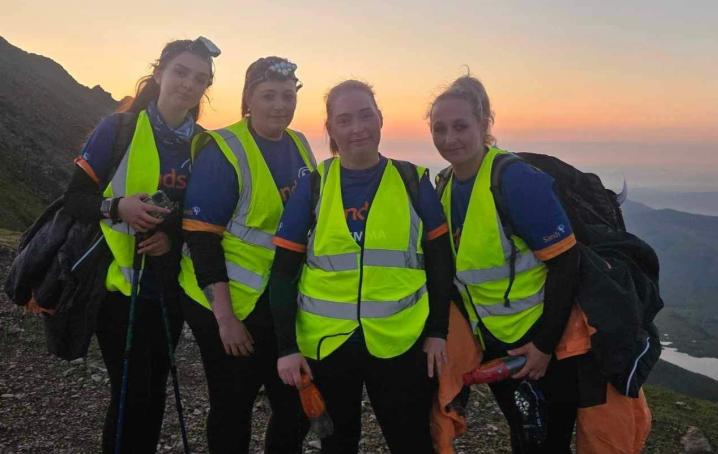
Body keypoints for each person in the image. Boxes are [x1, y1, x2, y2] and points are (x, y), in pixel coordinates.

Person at [269, 79, 455, 454]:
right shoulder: (315, 185)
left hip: (401, 340)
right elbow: (284, 272)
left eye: (366, 115)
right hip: (329, 342)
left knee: (412, 440)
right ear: (331, 129)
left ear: (381, 119)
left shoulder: (412, 181)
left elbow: (439, 262)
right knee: (338, 442)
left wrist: (438, 331)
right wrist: (287, 347)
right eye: (345, 120)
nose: (358, 128)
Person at [64, 37, 218, 453]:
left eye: (200, 79)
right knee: (133, 392)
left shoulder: (205, 145)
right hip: (117, 288)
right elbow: (75, 199)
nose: (189, 84)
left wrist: (172, 236)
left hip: (169, 289)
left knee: (154, 392)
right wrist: (118, 208)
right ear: (159, 73)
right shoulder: (118, 128)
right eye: (181, 72)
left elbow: (202, 218)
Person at [428, 75, 580, 453]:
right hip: (497, 343)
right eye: (439, 129)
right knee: (524, 434)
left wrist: (543, 346)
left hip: (541, 343)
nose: (450, 139)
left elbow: (567, 262)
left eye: (461, 126)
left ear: (484, 123)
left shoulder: (514, 181)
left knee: (545, 442)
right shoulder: (445, 184)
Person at [178, 56, 316, 453]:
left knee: (293, 406)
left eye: (288, 96)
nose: (280, 105)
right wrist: (225, 320)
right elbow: (202, 242)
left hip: (278, 298)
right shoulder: (224, 150)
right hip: (228, 302)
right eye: (268, 95)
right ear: (248, 99)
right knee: (232, 404)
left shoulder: (300, 144)